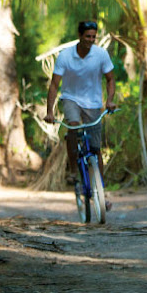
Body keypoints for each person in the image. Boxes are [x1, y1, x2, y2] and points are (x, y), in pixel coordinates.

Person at [44, 20, 116, 209]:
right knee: (73, 125)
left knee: (95, 148)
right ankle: (74, 170)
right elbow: (54, 84)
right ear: (80, 36)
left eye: (93, 37)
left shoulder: (100, 55)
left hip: (93, 103)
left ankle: (101, 191)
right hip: (71, 99)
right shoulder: (65, 56)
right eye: (87, 36)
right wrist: (49, 111)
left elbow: (110, 79)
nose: (91, 40)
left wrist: (109, 100)